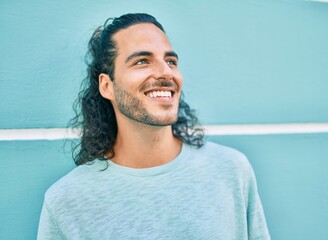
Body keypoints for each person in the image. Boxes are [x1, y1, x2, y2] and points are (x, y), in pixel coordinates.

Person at [37, 13, 270, 240]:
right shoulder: (66, 202)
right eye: (142, 61)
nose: (165, 72)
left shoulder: (231, 170)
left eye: (170, 61)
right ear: (107, 86)